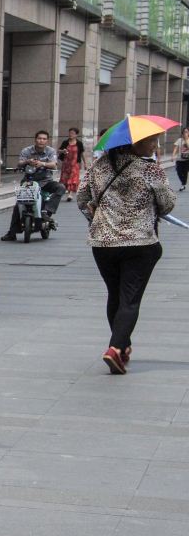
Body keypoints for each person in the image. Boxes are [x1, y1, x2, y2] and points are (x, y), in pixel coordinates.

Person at [76, 132, 175, 374]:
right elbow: (167, 204)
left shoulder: (99, 166)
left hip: (103, 244)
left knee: (115, 294)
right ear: (134, 143)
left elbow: (81, 198)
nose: (155, 145)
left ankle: (122, 344)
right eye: (151, 141)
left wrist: (95, 217)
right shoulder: (150, 169)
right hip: (139, 244)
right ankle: (115, 348)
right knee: (130, 298)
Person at [1, 129, 62, 240]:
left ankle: (47, 211)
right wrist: (27, 161)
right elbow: (20, 163)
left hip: (46, 182)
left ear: (47, 141)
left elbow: (54, 164)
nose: (41, 141)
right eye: (39, 138)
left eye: (44, 139)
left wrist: (42, 164)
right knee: (19, 204)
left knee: (61, 188)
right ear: (35, 139)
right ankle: (12, 233)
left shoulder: (51, 151)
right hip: (28, 182)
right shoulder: (27, 150)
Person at [59, 127, 86, 198]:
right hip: (66, 164)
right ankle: (65, 189)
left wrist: (85, 163)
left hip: (75, 164)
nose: (70, 134)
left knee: (73, 178)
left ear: (76, 135)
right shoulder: (65, 142)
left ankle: (70, 194)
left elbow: (82, 154)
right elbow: (59, 150)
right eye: (70, 133)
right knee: (65, 178)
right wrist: (63, 151)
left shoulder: (79, 143)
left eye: (73, 133)